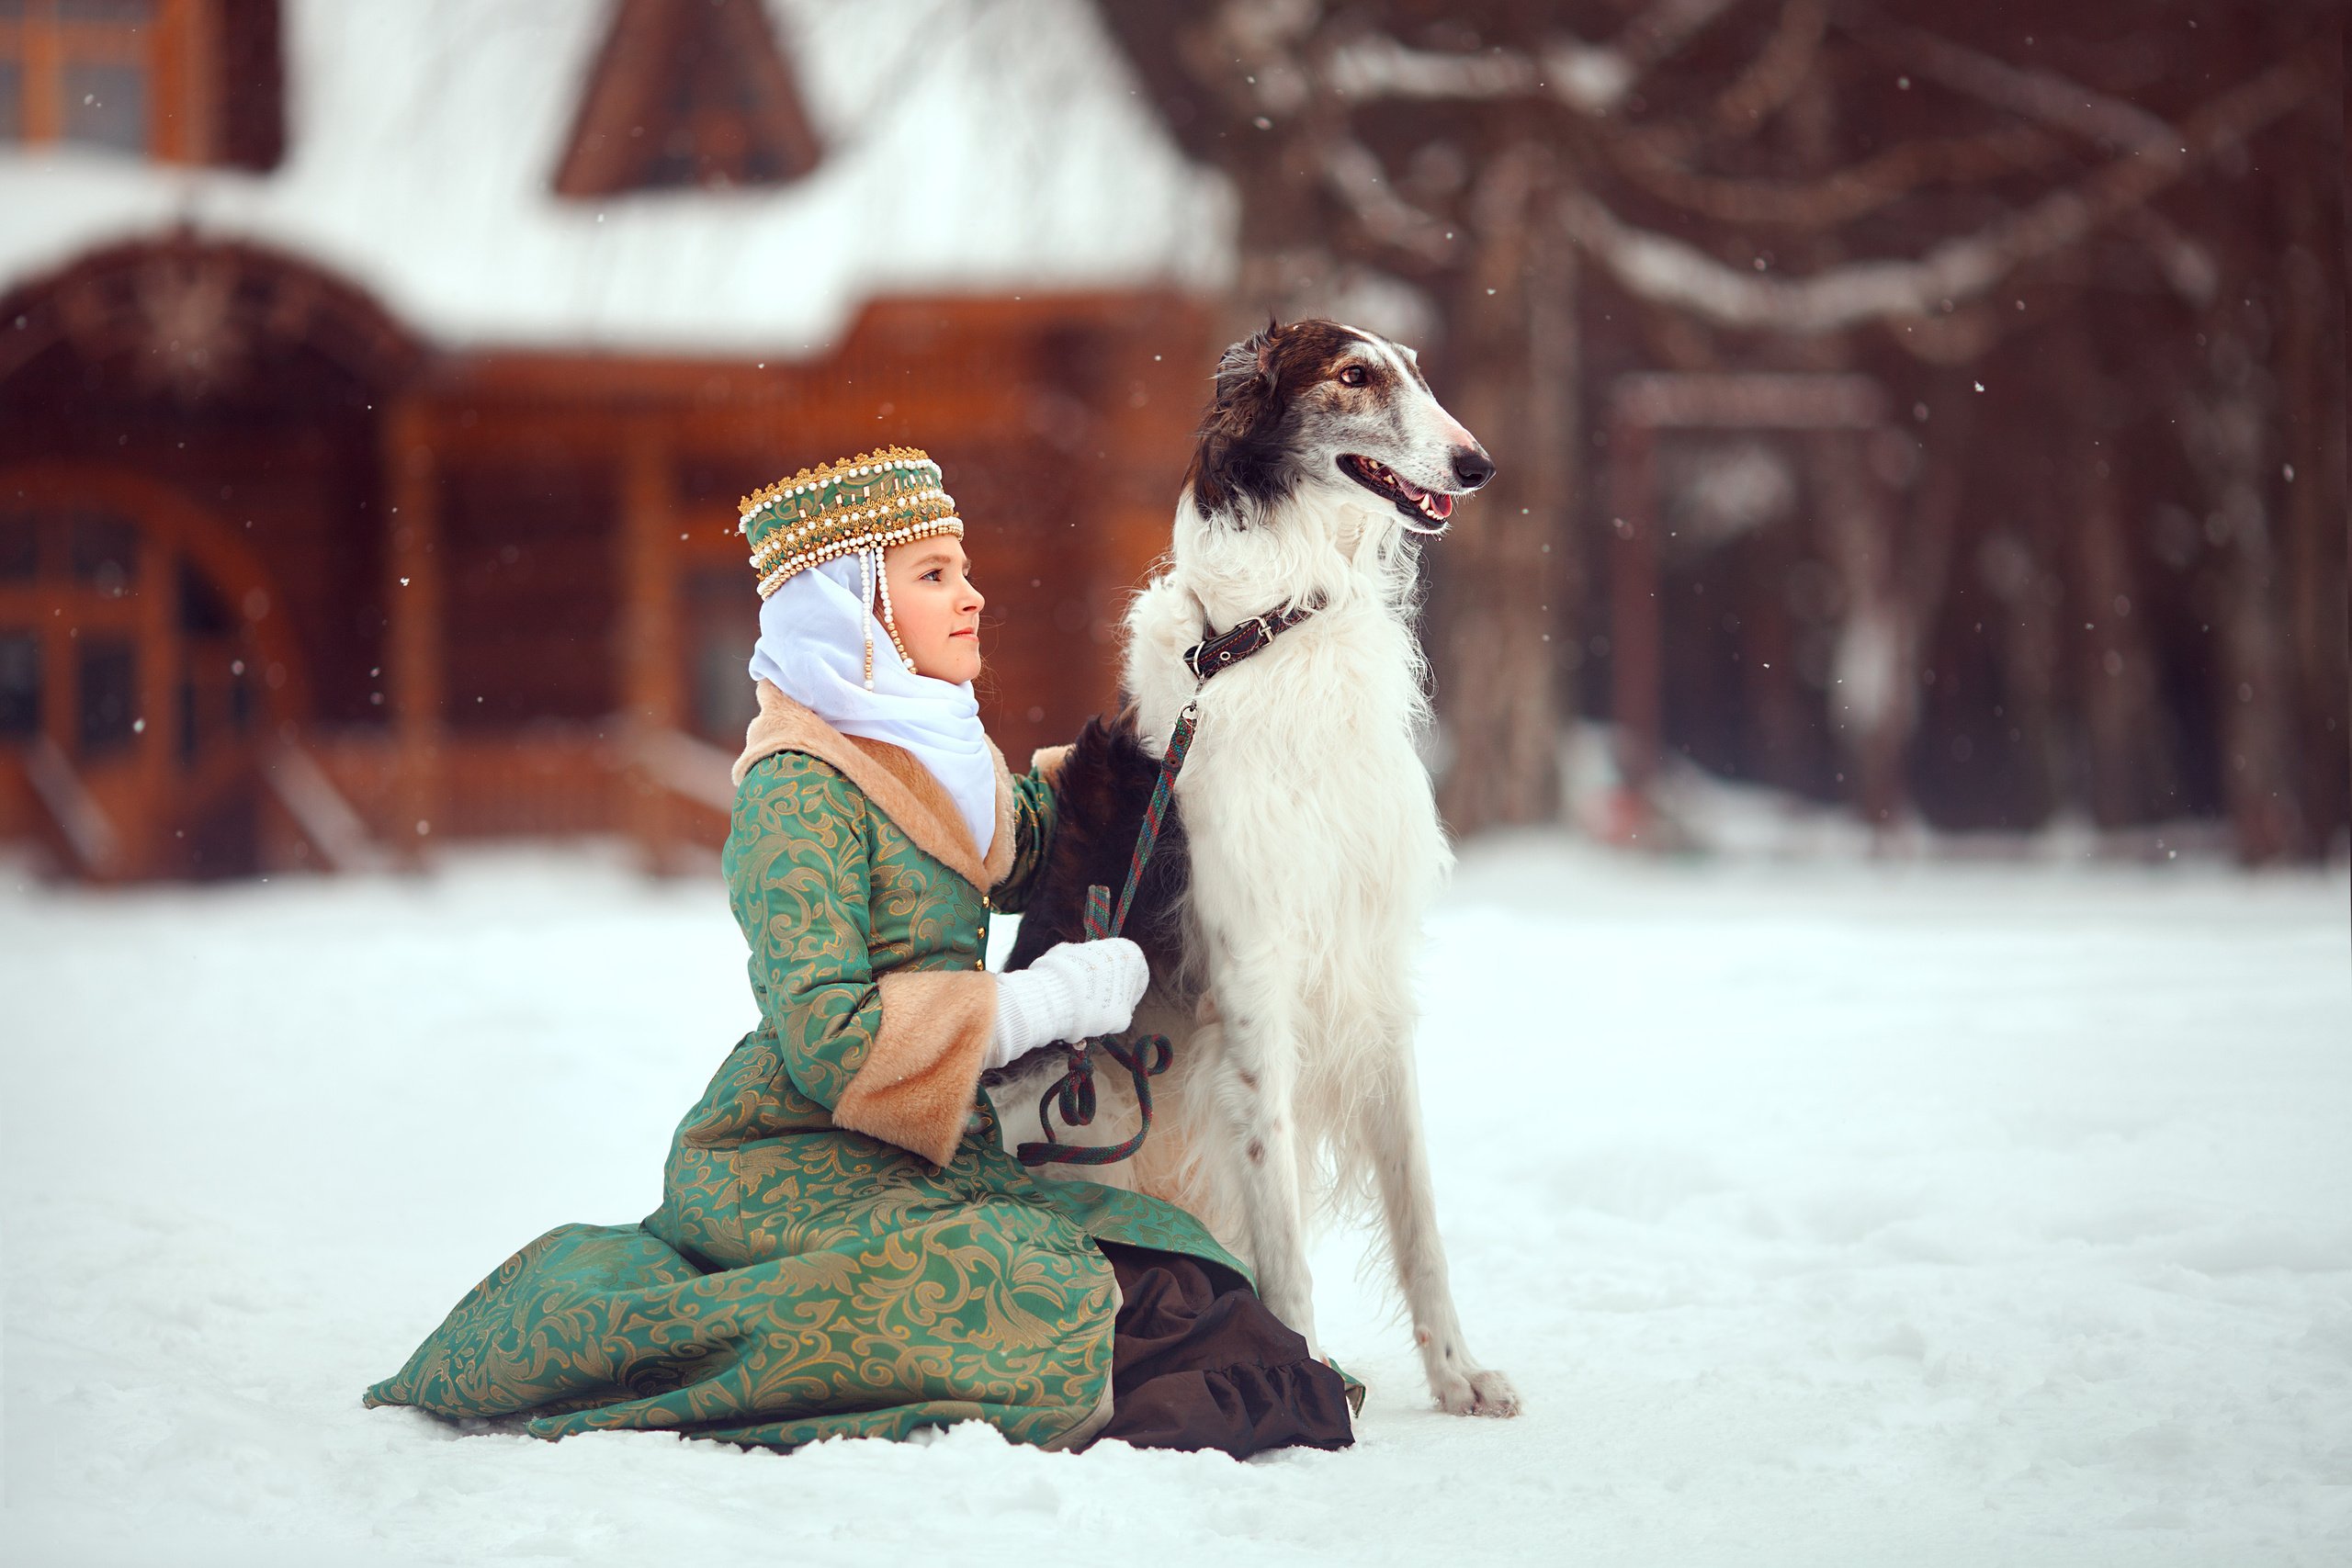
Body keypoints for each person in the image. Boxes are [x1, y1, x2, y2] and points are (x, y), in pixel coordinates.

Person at [364, 446, 1356, 1457]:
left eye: (963, 569)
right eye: (933, 574)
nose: (972, 596)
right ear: (854, 611)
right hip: (787, 1147)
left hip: (926, 1149)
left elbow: (1036, 839)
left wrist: (1162, 743)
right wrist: (1043, 1002)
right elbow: (827, 1036)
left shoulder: (928, 754)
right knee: (1033, 1284)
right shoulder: (795, 790)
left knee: (1166, 1259)